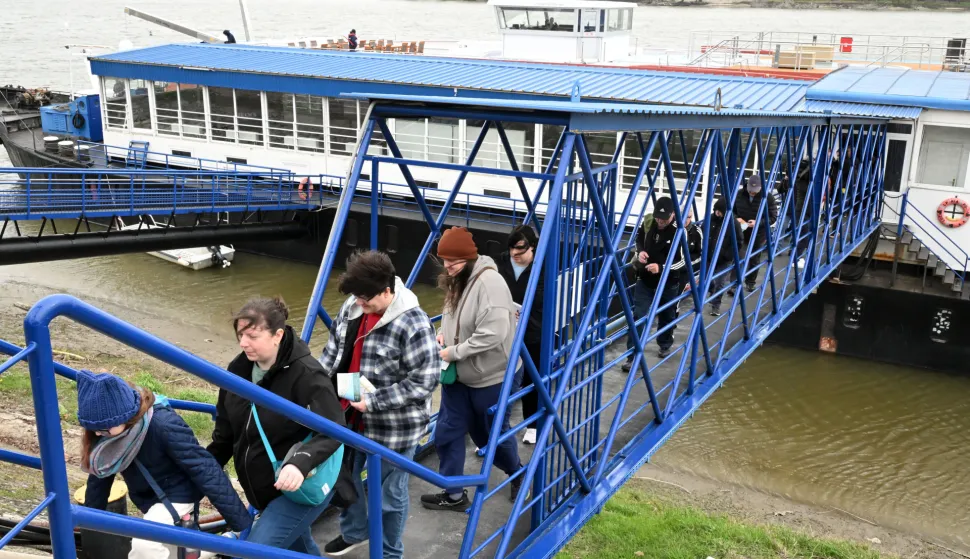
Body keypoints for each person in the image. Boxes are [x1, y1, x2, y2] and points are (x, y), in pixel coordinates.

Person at [207, 297, 353, 555]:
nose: (243, 343)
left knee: (253, 553)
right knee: (298, 548)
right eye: (240, 335)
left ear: (277, 335)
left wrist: (301, 462)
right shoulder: (237, 370)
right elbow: (225, 434)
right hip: (265, 488)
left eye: (252, 335)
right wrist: (200, 468)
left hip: (301, 484)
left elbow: (334, 429)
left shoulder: (307, 373)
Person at [320, 251, 439, 559]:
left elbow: (425, 381)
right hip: (348, 411)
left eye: (367, 299)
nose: (361, 304)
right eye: (357, 297)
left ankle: (388, 552)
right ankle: (356, 532)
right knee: (343, 478)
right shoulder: (354, 305)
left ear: (388, 290)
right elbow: (332, 353)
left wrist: (374, 401)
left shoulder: (414, 323)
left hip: (394, 426)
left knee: (390, 495)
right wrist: (317, 388)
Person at [79, 371, 251, 559]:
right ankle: (225, 543)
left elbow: (203, 467)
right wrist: (90, 517)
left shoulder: (163, 425)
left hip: (179, 493)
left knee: (144, 545)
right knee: (172, 552)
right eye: (93, 429)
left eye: (102, 429)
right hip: (149, 497)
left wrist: (239, 519)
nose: (97, 434)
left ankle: (228, 541)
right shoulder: (106, 431)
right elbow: (101, 475)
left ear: (124, 416)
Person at [421, 226, 523, 511]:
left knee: (490, 436)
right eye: (444, 260)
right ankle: (453, 494)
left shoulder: (490, 284)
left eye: (453, 261)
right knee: (446, 432)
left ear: (468, 257)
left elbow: (495, 333)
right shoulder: (457, 277)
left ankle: (517, 472)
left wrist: (453, 351)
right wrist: (444, 333)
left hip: (491, 376)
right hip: (458, 374)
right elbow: (453, 315)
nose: (447, 266)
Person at [623, 196, 685, 370]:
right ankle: (632, 356)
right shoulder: (649, 222)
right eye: (658, 217)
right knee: (639, 315)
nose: (660, 221)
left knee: (667, 315)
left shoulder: (679, 231)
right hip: (645, 279)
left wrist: (661, 267)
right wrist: (641, 251)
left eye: (664, 219)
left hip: (668, 281)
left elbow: (683, 262)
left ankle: (664, 344)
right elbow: (639, 239)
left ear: (673, 215)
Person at [496, 225, 544, 445]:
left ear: (532, 248)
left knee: (530, 379)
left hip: (532, 331)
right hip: (503, 329)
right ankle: (495, 428)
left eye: (520, 252)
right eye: (512, 252)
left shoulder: (542, 267)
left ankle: (532, 425)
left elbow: (543, 299)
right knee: (498, 378)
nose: (515, 256)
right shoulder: (502, 262)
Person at [733, 174, 778, 292]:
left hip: (759, 233)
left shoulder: (768, 198)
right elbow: (731, 211)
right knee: (739, 257)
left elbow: (773, 217)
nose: (752, 193)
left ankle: (750, 282)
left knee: (754, 258)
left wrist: (758, 222)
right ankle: (734, 284)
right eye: (750, 191)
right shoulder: (739, 194)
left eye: (755, 191)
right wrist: (737, 218)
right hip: (742, 230)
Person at [707, 197, 743, 317]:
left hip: (723, 259)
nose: (717, 213)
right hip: (710, 256)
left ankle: (715, 306)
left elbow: (738, 241)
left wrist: (727, 255)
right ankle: (712, 294)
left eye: (720, 211)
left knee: (720, 282)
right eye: (716, 210)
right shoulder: (711, 219)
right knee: (709, 280)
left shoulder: (733, 223)